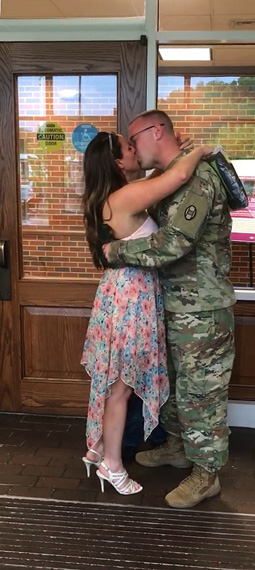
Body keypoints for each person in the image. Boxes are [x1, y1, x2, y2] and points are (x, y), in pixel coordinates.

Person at [103, 110, 236, 508]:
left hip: (203, 310)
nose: (132, 148)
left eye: (133, 139)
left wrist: (116, 252)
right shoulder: (168, 177)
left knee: (201, 393)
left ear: (156, 131)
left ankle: (206, 474)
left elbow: (173, 244)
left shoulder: (197, 177)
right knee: (177, 386)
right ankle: (179, 447)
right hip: (176, 305)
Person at [81, 129, 212, 496]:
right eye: (128, 147)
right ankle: (113, 466)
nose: (135, 149)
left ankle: (100, 448)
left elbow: (160, 177)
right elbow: (179, 176)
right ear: (118, 162)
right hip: (131, 302)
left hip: (119, 297)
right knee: (120, 389)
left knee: (114, 386)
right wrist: (201, 148)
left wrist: (176, 153)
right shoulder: (125, 197)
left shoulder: (112, 197)